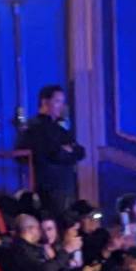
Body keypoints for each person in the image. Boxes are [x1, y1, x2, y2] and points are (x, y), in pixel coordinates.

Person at [17, 82, 85, 213]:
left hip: (64, 185)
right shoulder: (35, 128)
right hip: (49, 186)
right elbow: (52, 153)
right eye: (57, 101)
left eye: (62, 102)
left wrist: (68, 151)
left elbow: (80, 151)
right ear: (45, 102)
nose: (61, 106)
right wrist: (66, 151)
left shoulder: (59, 128)